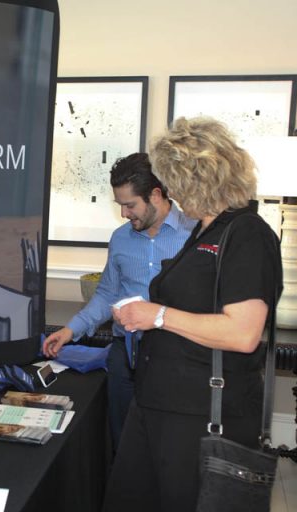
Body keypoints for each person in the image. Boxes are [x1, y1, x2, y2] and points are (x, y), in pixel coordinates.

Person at [102, 117, 282, 511]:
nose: (173, 195)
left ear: (198, 179)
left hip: (200, 412)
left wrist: (158, 316)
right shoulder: (205, 231)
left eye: (175, 184)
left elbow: (243, 333)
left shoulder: (247, 234)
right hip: (161, 402)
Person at [41, 153, 195, 450]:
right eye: (120, 205)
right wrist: (70, 330)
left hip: (176, 358)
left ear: (156, 195)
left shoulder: (194, 234)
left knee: (170, 446)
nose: (124, 214)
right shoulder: (120, 239)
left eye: (130, 205)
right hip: (125, 356)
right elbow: (107, 294)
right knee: (123, 443)